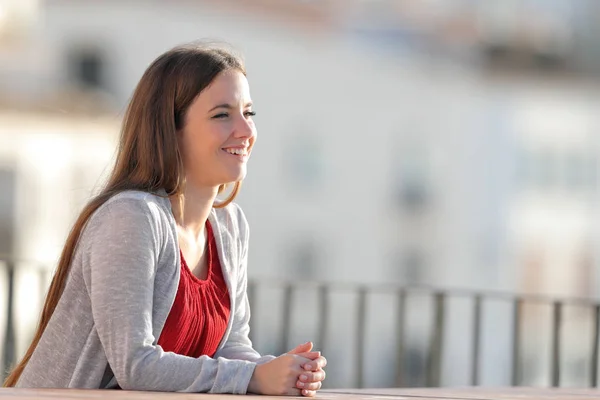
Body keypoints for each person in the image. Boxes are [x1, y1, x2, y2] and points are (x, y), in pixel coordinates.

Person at [3, 42, 327, 396]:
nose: (246, 131)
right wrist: (251, 378)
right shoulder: (131, 218)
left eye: (248, 113)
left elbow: (231, 346)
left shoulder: (230, 226)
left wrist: (278, 371)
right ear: (170, 129)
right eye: (222, 115)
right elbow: (135, 366)